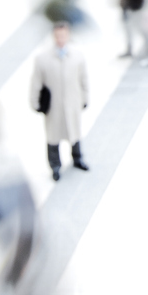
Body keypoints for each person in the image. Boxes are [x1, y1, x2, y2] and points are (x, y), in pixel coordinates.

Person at [30, 21, 91, 181]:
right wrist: (35, 102)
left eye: (63, 35)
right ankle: (55, 166)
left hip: (72, 103)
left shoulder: (77, 56)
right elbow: (36, 82)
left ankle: (77, 158)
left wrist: (85, 97)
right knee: (53, 136)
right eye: (58, 35)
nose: (61, 39)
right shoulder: (43, 59)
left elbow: (83, 79)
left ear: (68, 35)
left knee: (74, 132)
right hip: (54, 106)